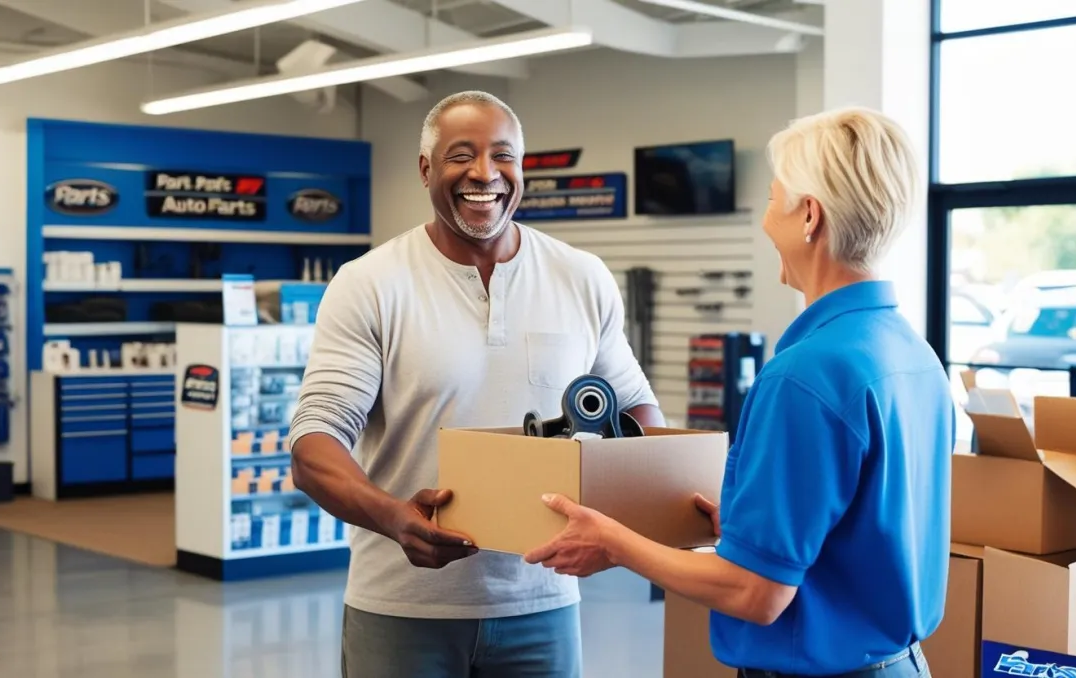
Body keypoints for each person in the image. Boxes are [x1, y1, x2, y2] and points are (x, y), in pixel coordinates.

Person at [524, 107, 953, 678]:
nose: (765, 221)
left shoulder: (806, 375)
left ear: (808, 215)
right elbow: (861, 532)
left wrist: (614, 542)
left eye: (773, 200)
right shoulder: (912, 355)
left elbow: (757, 593)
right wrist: (754, 527)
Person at [287, 90, 663, 678]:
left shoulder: (581, 277)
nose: (484, 173)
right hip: (403, 608)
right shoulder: (370, 284)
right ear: (425, 169)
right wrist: (391, 516)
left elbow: (636, 414)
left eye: (502, 156)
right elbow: (315, 447)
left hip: (545, 602)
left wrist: (633, 525)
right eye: (461, 155)